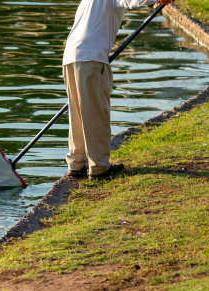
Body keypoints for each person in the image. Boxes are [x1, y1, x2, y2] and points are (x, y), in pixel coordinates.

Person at [63, 0, 173, 180]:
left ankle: (77, 163)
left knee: (77, 113)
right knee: (96, 114)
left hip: (70, 56)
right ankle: (98, 168)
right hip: (91, 57)